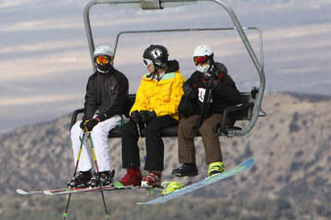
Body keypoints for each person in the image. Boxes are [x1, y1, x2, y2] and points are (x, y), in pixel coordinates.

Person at [118, 44, 185, 188]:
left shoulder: (176, 79)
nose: (146, 67)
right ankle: (133, 172)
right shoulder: (147, 79)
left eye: (148, 63)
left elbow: (176, 104)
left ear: (157, 62)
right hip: (149, 114)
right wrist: (135, 112)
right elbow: (140, 101)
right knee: (128, 129)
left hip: (169, 115)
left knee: (152, 129)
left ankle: (154, 172)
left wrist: (154, 113)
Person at [174, 45, 243, 178]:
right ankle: (188, 164)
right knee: (184, 126)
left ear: (210, 59)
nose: (200, 64)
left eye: (203, 60)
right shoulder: (197, 77)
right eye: (196, 61)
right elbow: (188, 88)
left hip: (221, 114)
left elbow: (236, 97)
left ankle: (215, 163)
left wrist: (218, 87)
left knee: (207, 127)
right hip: (204, 112)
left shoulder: (222, 77)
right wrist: (188, 92)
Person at [68, 45, 129, 188]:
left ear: (111, 60)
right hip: (97, 117)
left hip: (114, 115)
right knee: (76, 130)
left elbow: (117, 104)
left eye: (105, 59)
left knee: (97, 131)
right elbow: (90, 100)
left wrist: (97, 119)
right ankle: (84, 172)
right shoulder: (93, 79)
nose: (101, 63)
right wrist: (87, 119)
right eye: (99, 59)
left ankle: (104, 172)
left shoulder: (119, 78)